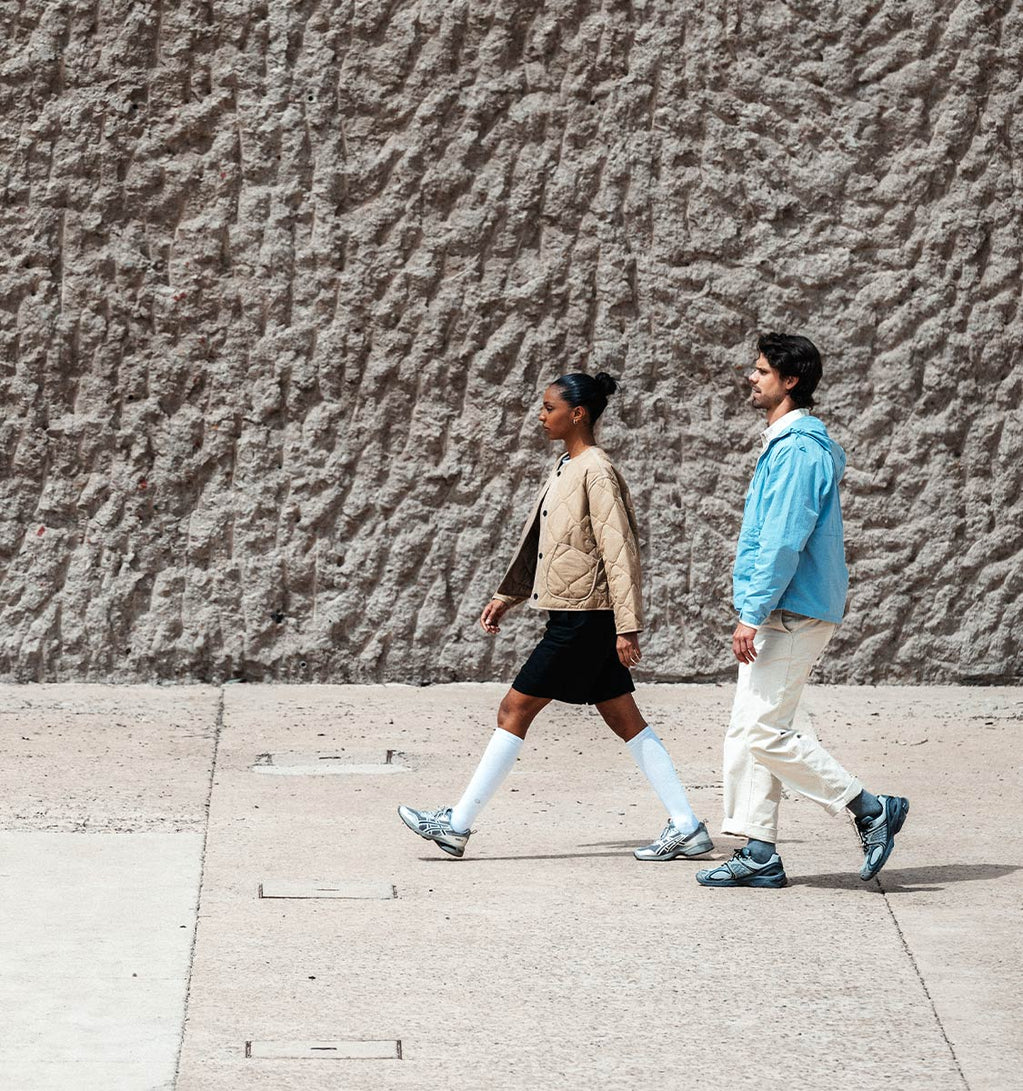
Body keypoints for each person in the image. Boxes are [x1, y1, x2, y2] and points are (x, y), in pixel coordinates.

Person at [398, 373, 711, 862]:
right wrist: (509, 595)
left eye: (549, 407)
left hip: (584, 619)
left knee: (513, 709)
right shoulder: (568, 465)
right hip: (576, 614)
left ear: (578, 413)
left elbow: (619, 551)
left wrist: (627, 626)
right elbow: (546, 543)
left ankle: (456, 826)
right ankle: (688, 826)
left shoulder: (596, 470)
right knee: (624, 717)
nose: (541, 416)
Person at [696, 333, 909, 889]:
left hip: (790, 611)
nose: (751, 377)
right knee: (751, 730)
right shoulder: (786, 444)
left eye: (762, 370)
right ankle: (759, 851)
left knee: (764, 732)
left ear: (790, 382)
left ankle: (869, 807)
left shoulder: (796, 450)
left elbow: (784, 540)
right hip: (779, 608)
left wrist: (752, 610)